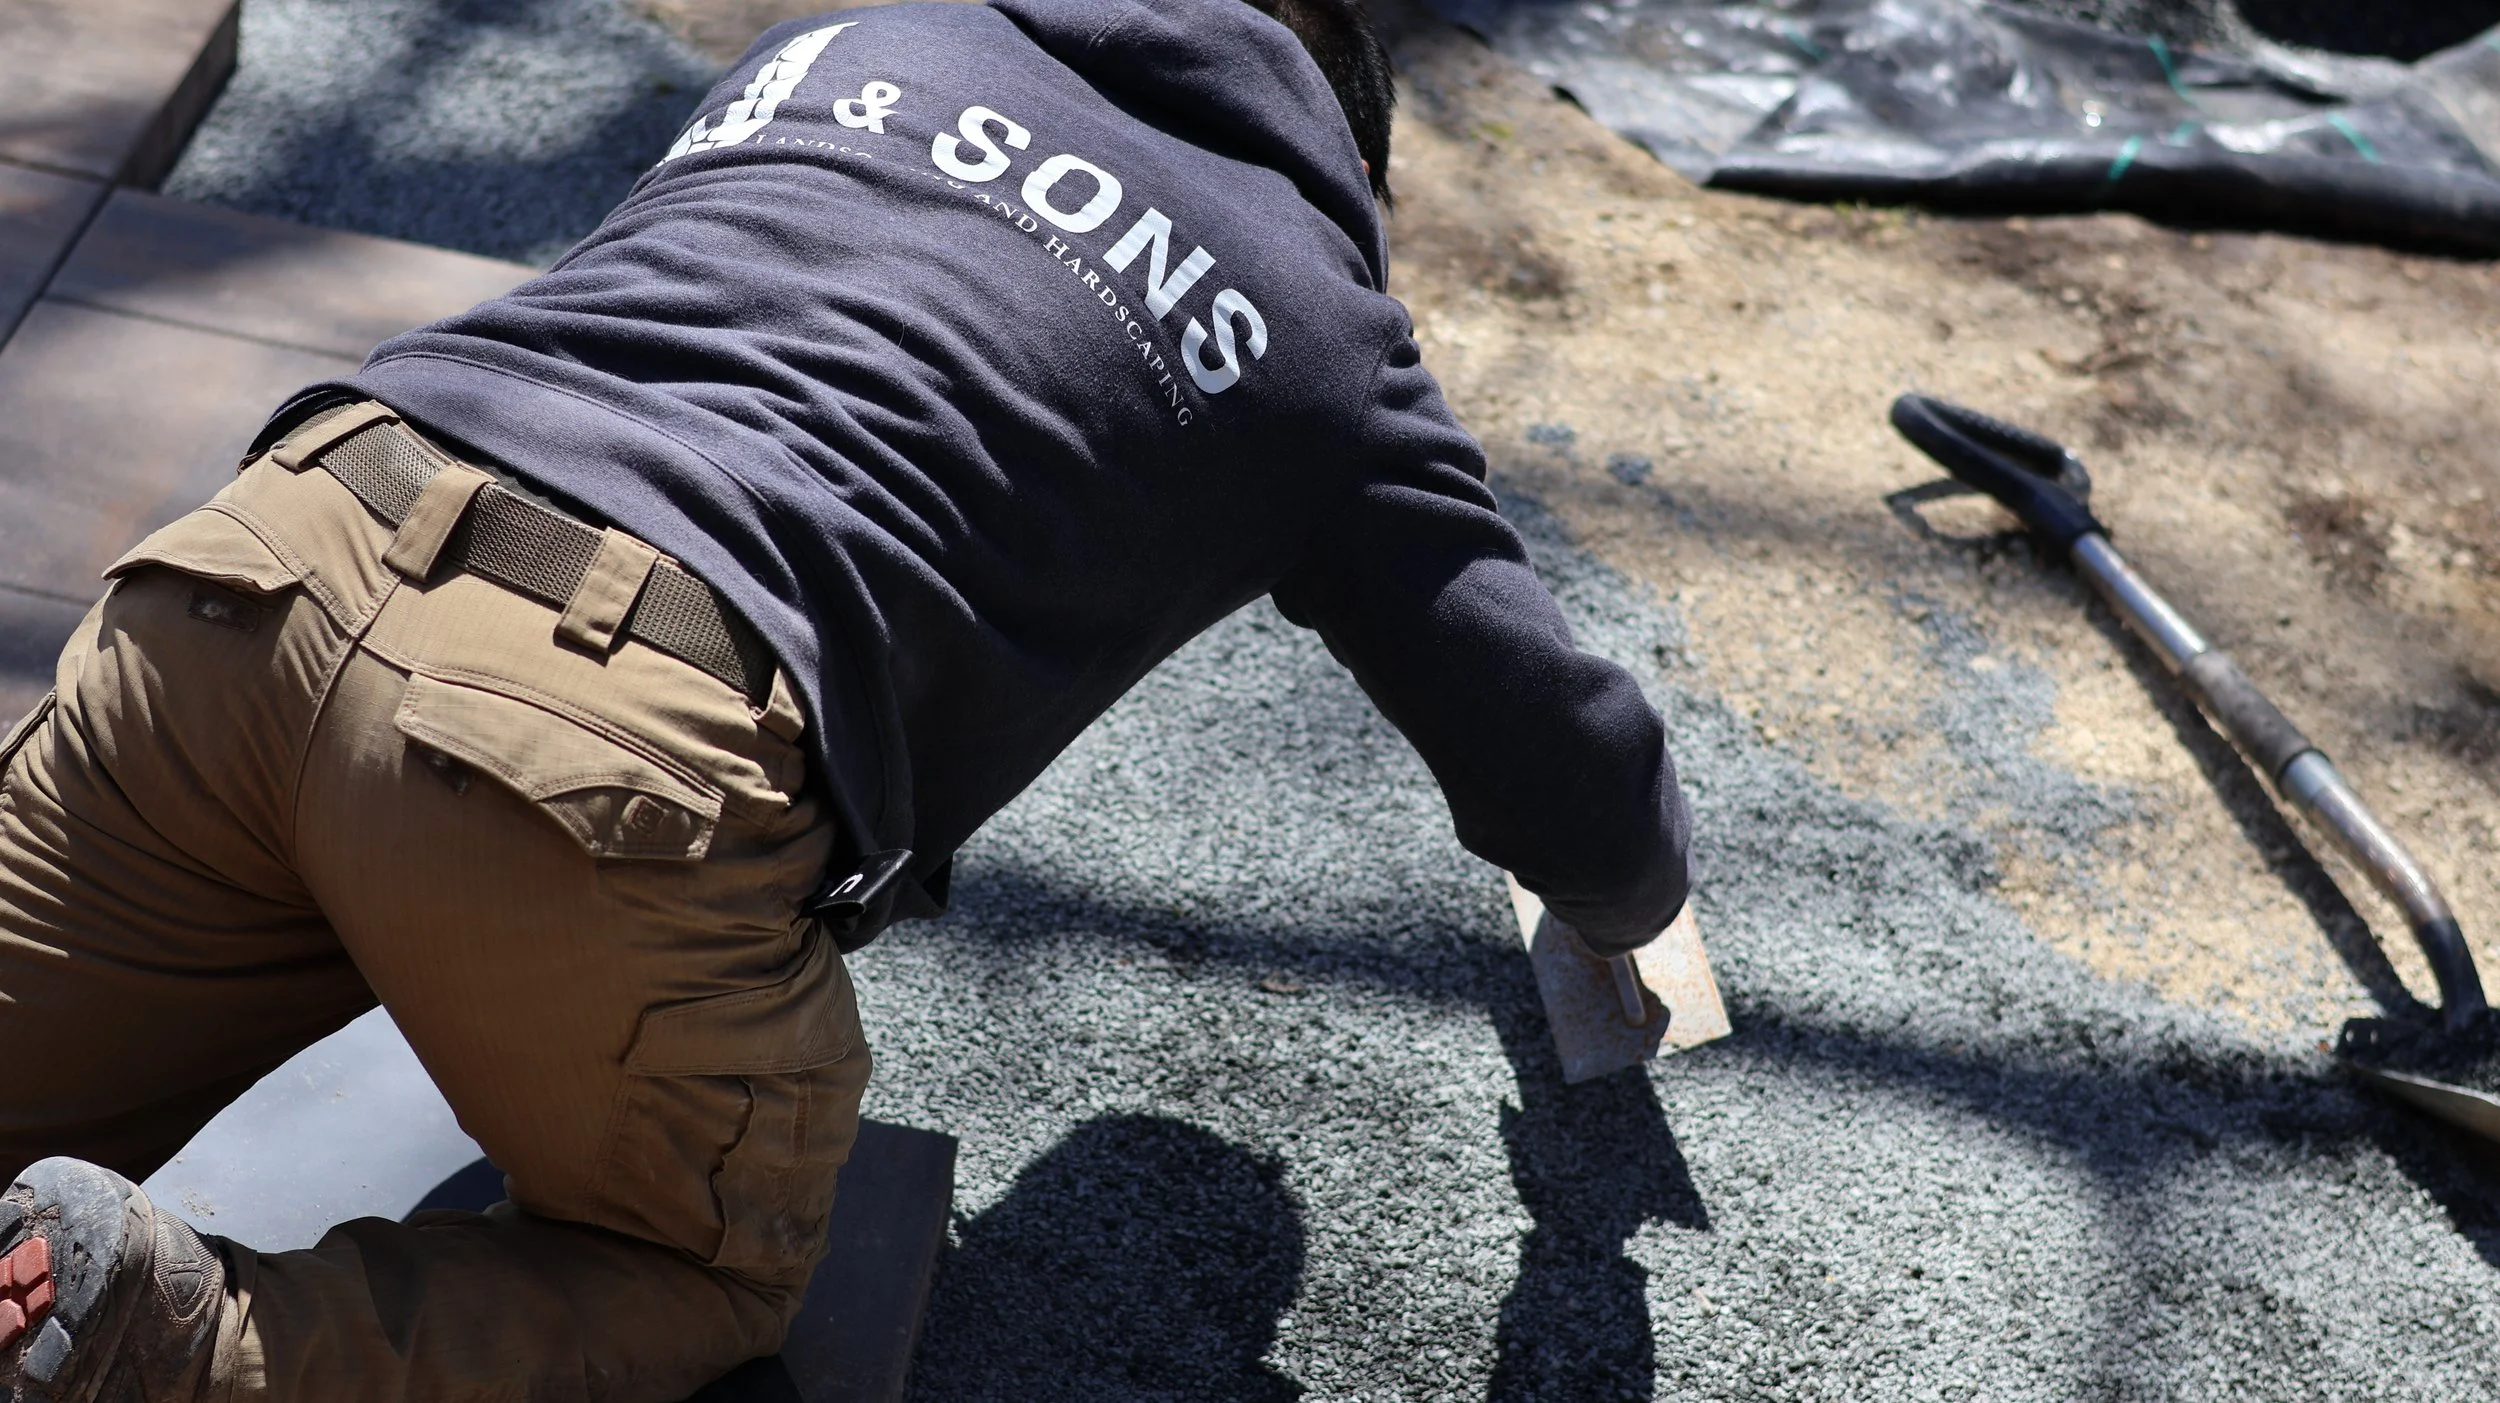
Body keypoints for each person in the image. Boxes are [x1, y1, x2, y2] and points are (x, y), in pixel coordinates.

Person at [0, 0, 1691, 1396]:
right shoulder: (1322, 325)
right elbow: (1561, 758)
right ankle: (166, 1339)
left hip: (265, 557)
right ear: (1346, 150)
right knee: (689, 1272)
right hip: (599, 738)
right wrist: (1636, 899)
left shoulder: (850, 46)